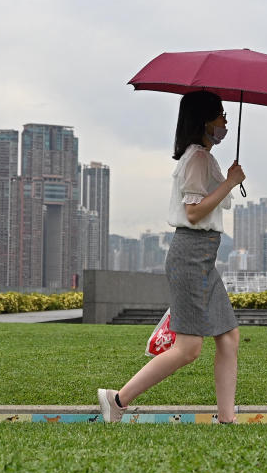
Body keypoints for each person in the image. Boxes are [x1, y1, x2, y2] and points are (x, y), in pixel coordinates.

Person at [97, 91, 246, 424]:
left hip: (203, 257)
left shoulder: (203, 157)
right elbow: (193, 212)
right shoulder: (197, 159)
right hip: (191, 255)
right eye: (220, 115)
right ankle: (117, 400)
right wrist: (232, 182)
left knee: (229, 336)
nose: (225, 122)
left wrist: (228, 181)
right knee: (189, 348)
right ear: (203, 121)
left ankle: (227, 418)